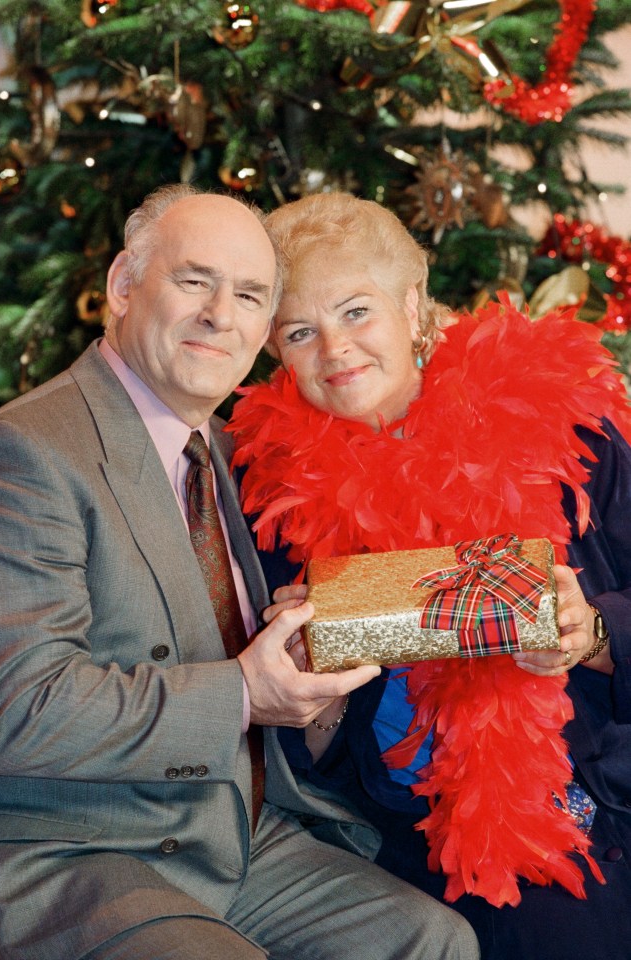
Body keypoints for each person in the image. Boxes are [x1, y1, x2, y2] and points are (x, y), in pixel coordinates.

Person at [0, 184, 481, 960]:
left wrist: (306, 646)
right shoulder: (28, 449)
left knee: (431, 939)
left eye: (251, 295)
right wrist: (245, 694)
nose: (222, 313)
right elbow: (18, 708)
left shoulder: (226, 453)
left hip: (232, 830)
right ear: (123, 285)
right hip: (80, 849)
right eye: (195, 280)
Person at [228, 191, 631, 960]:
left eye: (355, 312)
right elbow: (296, 753)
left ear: (412, 306)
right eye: (300, 332)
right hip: (406, 828)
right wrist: (309, 680)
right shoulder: (269, 493)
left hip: (594, 785)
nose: (334, 351)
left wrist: (598, 631)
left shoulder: (568, 429)